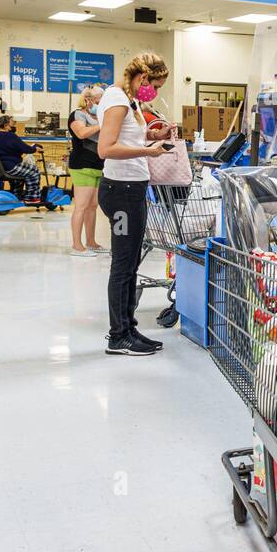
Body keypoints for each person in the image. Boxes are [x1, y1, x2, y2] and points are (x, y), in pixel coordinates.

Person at [96, 52, 172, 356]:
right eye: (156, 85)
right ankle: (118, 336)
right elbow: (106, 148)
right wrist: (149, 153)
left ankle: (128, 327)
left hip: (133, 189)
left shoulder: (129, 101)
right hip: (121, 192)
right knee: (123, 264)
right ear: (143, 78)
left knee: (131, 263)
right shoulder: (116, 100)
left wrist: (153, 136)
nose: (155, 92)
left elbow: (127, 138)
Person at [68, 86, 106, 256]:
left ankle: (91, 242)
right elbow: (82, 133)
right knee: (81, 207)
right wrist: (102, 125)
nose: (101, 103)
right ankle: (77, 246)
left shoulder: (97, 116)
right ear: (88, 99)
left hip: (98, 165)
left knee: (92, 206)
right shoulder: (78, 114)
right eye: (99, 99)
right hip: (82, 165)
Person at [0, 116, 42, 201]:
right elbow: (26, 149)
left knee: (21, 174)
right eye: (11, 123)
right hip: (9, 167)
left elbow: (4, 149)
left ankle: (15, 196)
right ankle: (32, 197)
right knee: (34, 170)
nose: (13, 125)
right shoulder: (10, 136)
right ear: (5, 125)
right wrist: (35, 148)